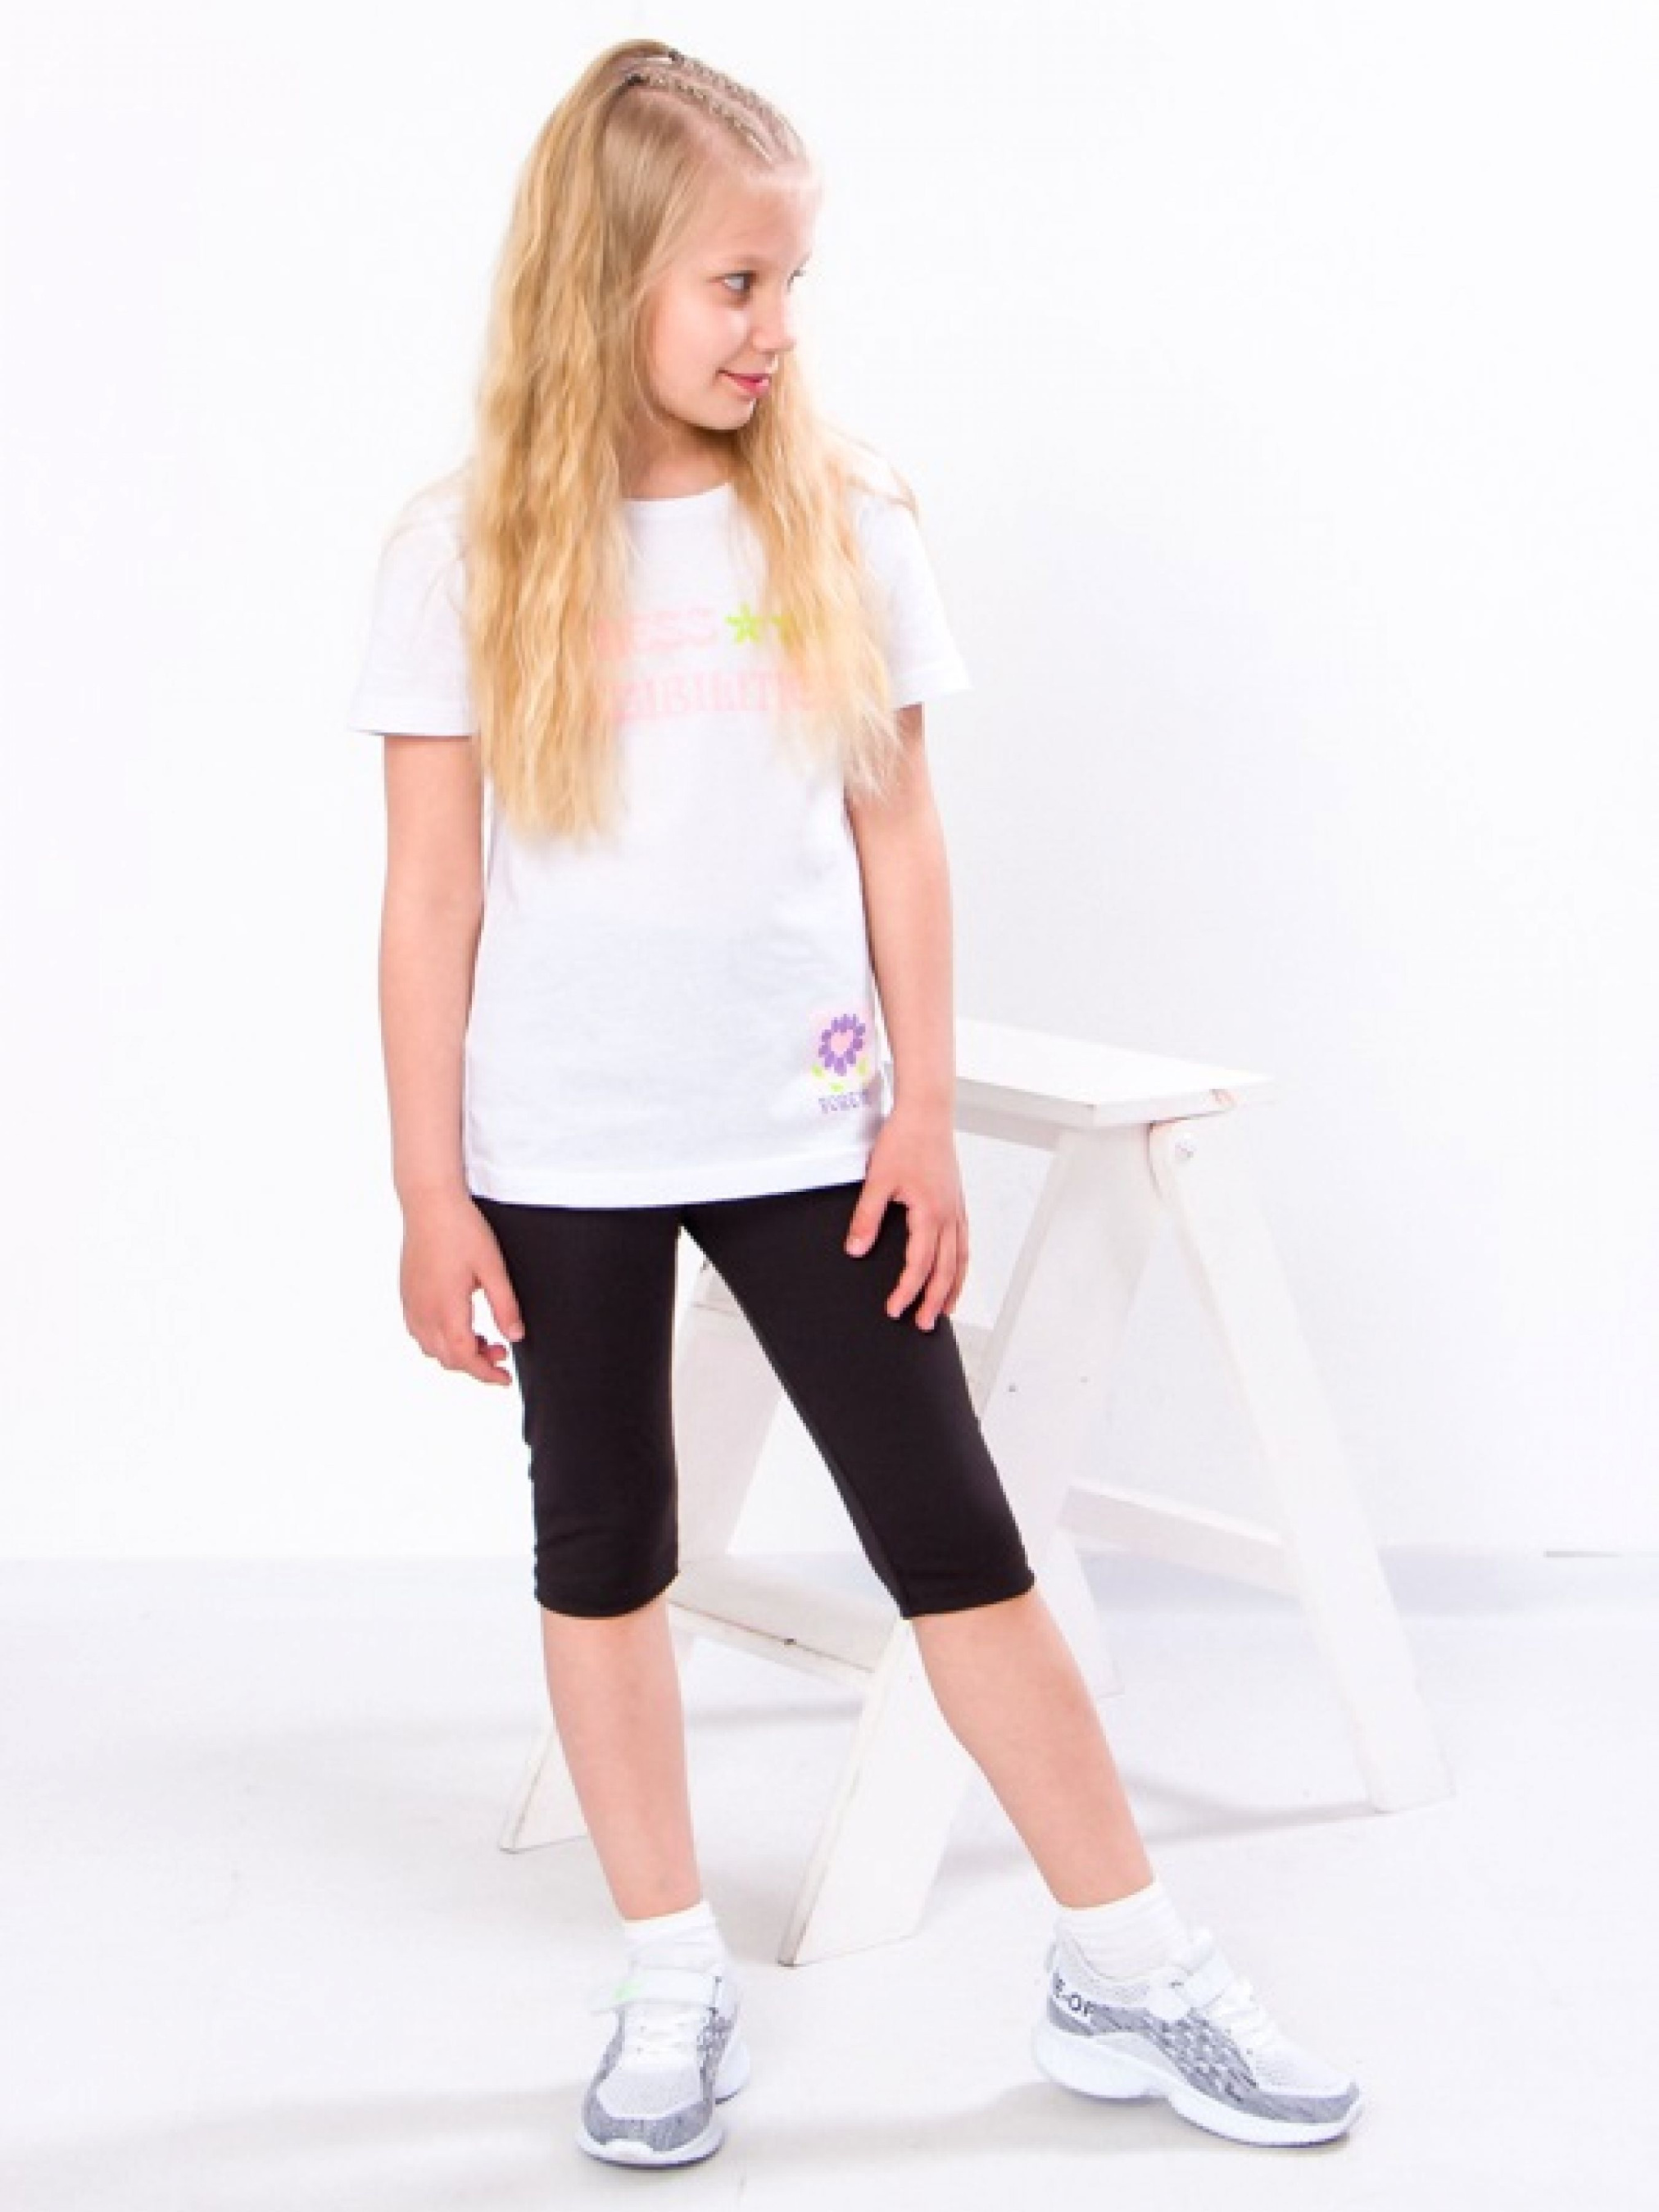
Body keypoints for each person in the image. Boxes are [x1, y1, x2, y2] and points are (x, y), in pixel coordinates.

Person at [346, 35, 1364, 2171]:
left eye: (791, 282)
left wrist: (913, 1115)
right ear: (606, 277)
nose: (775, 327)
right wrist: (431, 1191)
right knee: (601, 1546)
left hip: (813, 1133)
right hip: (563, 1148)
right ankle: (670, 1967)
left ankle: (1129, 1961)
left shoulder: (841, 515)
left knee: (955, 1538)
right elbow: (431, 894)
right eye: (734, 283)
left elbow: (902, 833)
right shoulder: (464, 552)